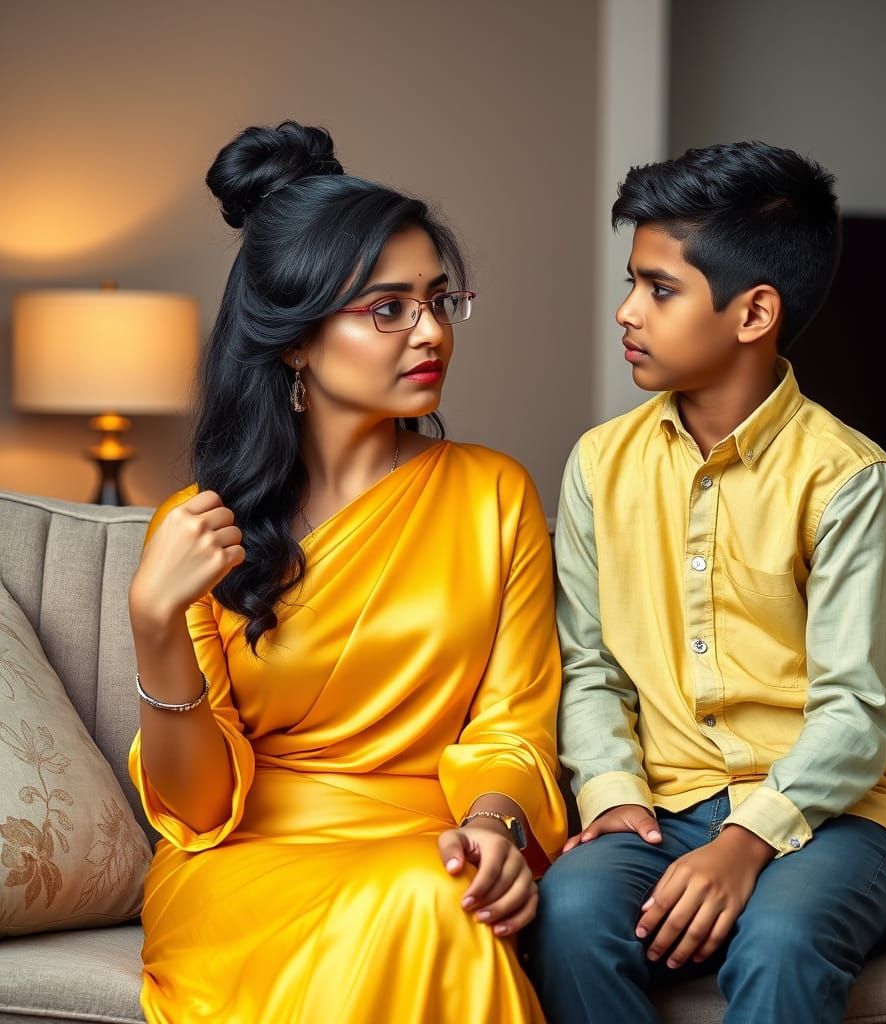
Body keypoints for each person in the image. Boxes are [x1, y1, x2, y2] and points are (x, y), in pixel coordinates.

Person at [127, 120, 566, 1024]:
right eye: (387, 308)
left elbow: (513, 728)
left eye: (440, 300)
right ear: (294, 341)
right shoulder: (195, 528)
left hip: (433, 841)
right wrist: (153, 626)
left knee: (438, 898)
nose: (431, 331)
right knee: (427, 908)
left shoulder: (496, 493)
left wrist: (494, 827)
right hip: (246, 864)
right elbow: (200, 808)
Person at [523, 141, 886, 1024]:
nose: (626, 311)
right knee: (571, 914)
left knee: (780, 941)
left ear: (753, 313)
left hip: (834, 818)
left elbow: (859, 711)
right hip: (660, 808)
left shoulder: (850, 479)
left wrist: (748, 840)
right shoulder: (598, 464)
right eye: (633, 281)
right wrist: (614, 796)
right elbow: (589, 670)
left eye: (659, 290)